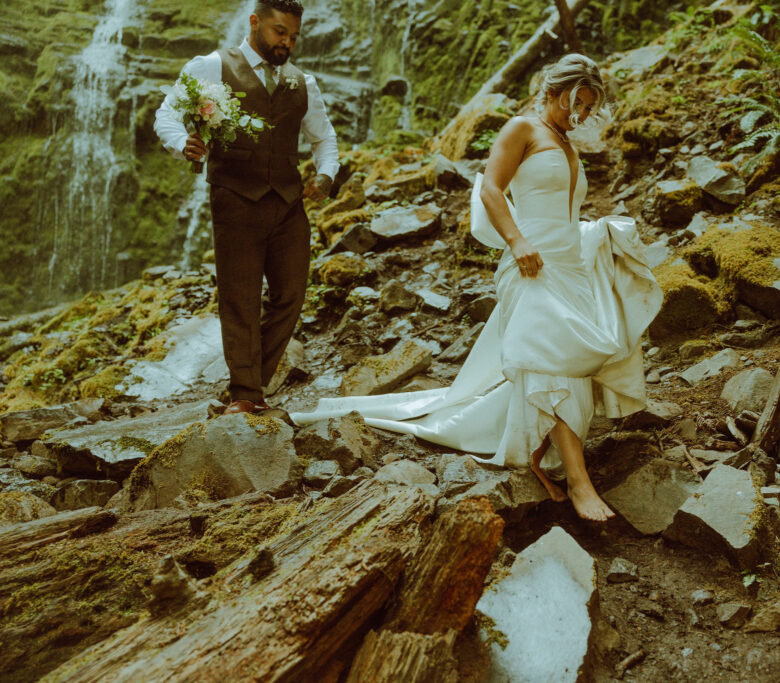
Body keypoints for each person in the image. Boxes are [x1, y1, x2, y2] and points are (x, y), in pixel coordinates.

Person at [292, 54, 662, 521]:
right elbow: (490, 189)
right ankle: (579, 481)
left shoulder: (566, 144)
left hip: (569, 265)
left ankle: (541, 448)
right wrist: (518, 240)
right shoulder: (521, 130)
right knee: (556, 362)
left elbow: (560, 208)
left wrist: (595, 234)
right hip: (530, 265)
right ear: (552, 91)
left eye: (588, 107)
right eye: (576, 103)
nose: (581, 115)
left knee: (571, 363)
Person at [154, 0, 339, 415]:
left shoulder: (302, 82)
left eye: (293, 37)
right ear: (254, 22)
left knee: (291, 295)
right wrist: (182, 142)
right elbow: (166, 114)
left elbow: (324, 138)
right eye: (278, 32)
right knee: (239, 299)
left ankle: (251, 383)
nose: (286, 43)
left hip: (289, 204)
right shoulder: (211, 66)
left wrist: (326, 175)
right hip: (235, 200)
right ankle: (245, 394)